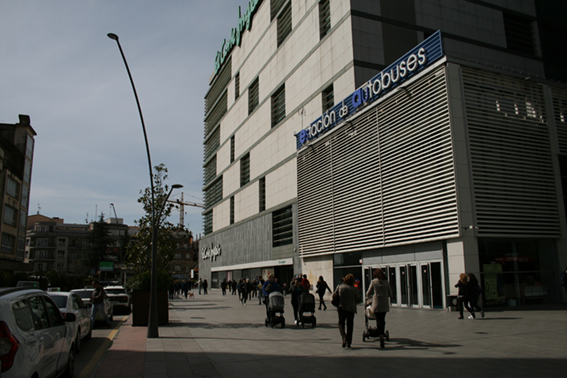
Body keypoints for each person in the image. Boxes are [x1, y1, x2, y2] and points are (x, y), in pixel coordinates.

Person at [333, 273, 361, 348]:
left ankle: (344, 337)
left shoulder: (340, 287)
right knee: (350, 325)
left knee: (341, 323)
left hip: (342, 308)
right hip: (351, 309)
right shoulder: (354, 289)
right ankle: (349, 342)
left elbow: (334, 296)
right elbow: (357, 299)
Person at [366, 269, 392, 337]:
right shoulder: (386, 282)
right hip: (384, 304)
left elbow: (368, 292)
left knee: (378, 319)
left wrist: (369, 298)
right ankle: (381, 332)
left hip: (376, 304)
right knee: (382, 319)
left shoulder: (373, 282)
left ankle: (379, 333)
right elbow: (390, 293)